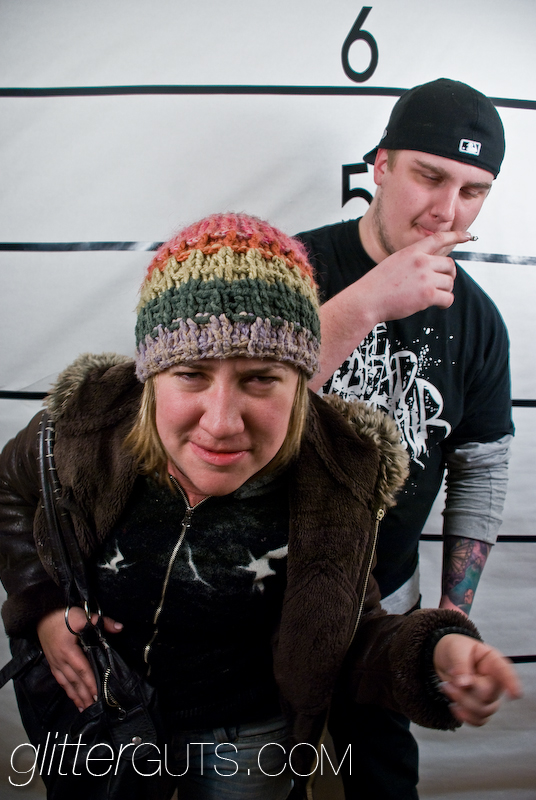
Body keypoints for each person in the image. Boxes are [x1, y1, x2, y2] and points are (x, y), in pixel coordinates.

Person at [0, 213, 519, 800]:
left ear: (301, 382)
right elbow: (9, 492)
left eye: (260, 379)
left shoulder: (335, 477)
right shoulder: (84, 425)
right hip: (97, 715)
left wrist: (433, 654)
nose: (222, 422)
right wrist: (42, 606)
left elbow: (344, 634)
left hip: (247, 740)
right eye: (191, 374)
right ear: (150, 375)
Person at [296, 78, 514, 799]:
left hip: (383, 611)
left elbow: (480, 467)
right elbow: (234, 399)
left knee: (385, 783)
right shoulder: (290, 269)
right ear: (382, 166)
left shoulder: (478, 321)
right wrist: (368, 302)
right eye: (429, 175)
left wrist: (451, 617)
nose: (447, 210)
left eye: (473, 190)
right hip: (260, 599)